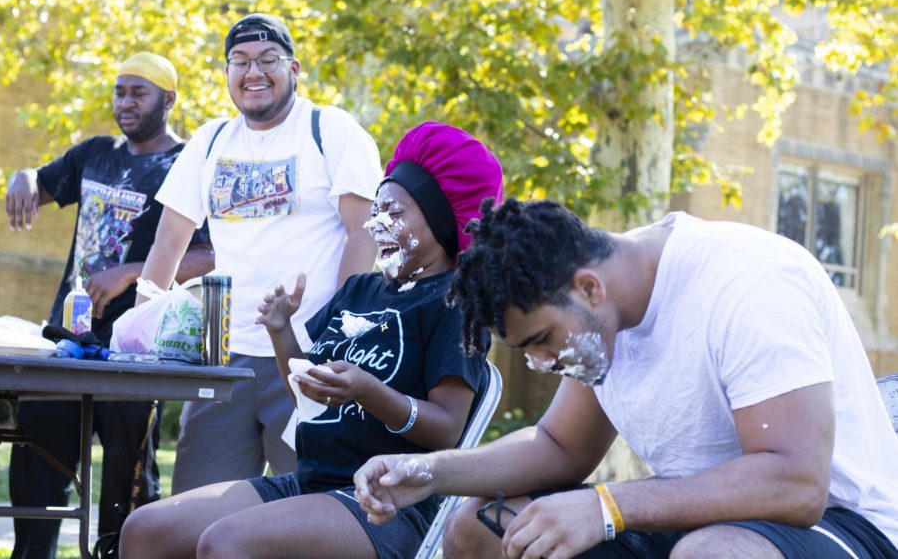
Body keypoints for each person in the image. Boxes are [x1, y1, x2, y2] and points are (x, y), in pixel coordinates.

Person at [354, 199, 898, 559]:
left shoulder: (747, 283)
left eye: (542, 339)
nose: (541, 362)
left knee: (711, 555)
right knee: (486, 525)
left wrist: (609, 507)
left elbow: (798, 484)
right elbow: (558, 445)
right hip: (694, 524)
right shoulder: (605, 309)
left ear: (589, 288)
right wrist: (429, 471)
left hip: (841, 527)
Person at [119, 122, 505, 558]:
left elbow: (448, 431)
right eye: (375, 210)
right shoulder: (360, 290)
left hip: (387, 501)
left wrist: (367, 389)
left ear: (437, 221)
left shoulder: (454, 302)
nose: (376, 223)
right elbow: (309, 396)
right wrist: (281, 332)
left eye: (393, 213)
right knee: (144, 529)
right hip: (311, 480)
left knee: (225, 543)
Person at [136, 13, 382, 494]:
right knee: (196, 505)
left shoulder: (329, 129)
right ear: (227, 74)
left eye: (268, 59)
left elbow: (364, 233)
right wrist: (140, 330)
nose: (254, 72)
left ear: (294, 69)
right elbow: (169, 240)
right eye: (240, 61)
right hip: (221, 359)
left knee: (308, 503)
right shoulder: (209, 142)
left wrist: (337, 336)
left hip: (306, 354)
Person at [3, 51, 214, 558]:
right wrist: (25, 176)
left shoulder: (186, 166)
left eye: (138, 93)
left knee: (128, 482)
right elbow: (43, 182)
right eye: (120, 92)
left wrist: (129, 273)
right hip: (66, 344)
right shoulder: (95, 153)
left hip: (134, 349)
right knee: (37, 472)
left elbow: (208, 254)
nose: (125, 102)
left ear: (169, 99)